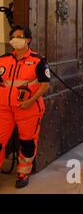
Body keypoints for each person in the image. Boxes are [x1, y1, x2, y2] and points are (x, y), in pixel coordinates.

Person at [0, 26, 50, 188]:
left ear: (28, 40)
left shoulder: (38, 60)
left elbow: (44, 85)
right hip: (4, 109)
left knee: (27, 142)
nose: (15, 40)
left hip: (29, 108)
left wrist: (30, 101)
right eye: (13, 37)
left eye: (19, 37)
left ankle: (23, 172)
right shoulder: (3, 59)